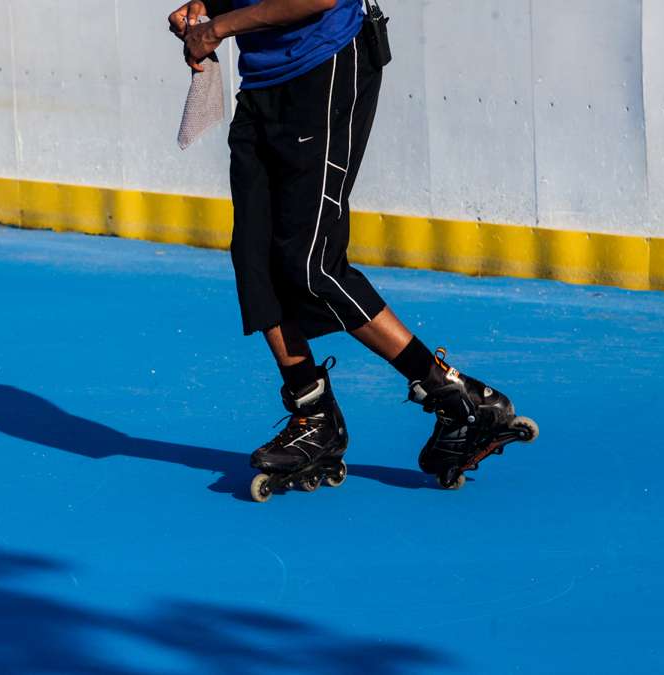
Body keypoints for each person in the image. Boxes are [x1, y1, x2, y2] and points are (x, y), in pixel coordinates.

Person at [167, 0, 535, 493]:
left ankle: (460, 399)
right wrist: (205, 9)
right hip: (264, 81)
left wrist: (217, 29)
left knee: (310, 263)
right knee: (254, 260)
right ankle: (313, 416)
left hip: (326, 67)